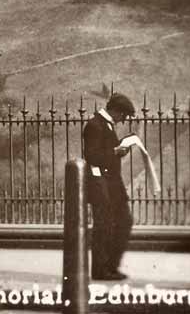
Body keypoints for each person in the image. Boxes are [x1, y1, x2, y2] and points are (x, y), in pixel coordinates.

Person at [83, 92, 137, 281]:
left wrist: (118, 151)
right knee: (103, 226)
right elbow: (92, 156)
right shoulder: (94, 125)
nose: (123, 120)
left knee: (123, 222)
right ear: (116, 111)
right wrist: (115, 151)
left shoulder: (105, 124)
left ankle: (110, 267)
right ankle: (101, 270)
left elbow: (103, 153)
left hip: (112, 184)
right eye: (123, 116)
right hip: (101, 185)